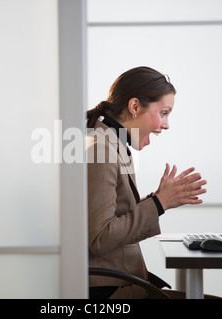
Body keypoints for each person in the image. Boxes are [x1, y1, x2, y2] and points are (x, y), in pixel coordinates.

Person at [86, 66, 208, 299]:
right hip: (111, 291)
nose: (166, 124)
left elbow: (111, 214)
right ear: (134, 107)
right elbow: (99, 238)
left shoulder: (111, 143)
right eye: (163, 112)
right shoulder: (101, 150)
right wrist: (159, 204)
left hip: (120, 283)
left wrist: (156, 199)